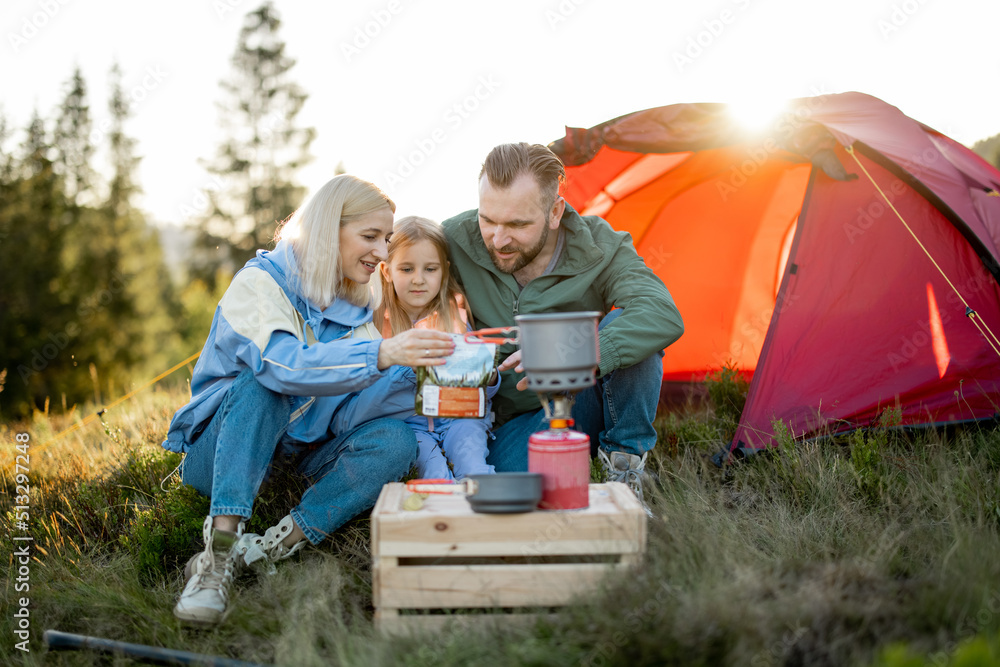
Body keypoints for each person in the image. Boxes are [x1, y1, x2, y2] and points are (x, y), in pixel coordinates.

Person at [161, 175, 455, 625]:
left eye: (386, 239)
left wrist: (420, 376)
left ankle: (272, 545)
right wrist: (382, 352)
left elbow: (349, 411)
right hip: (223, 453)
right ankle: (218, 555)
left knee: (395, 440)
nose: (382, 252)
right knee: (267, 381)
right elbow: (285, 366)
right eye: (370, 237)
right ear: (327, 229)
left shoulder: (360, 300)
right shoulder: (260, 284)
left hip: (299, 455)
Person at [441, 142, 684, 504]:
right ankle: (570, 471)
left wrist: (563, 351)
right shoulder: (454, 239)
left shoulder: (602, 246)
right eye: (488, 219)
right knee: (512, 497)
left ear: (555, 212)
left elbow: (661, 314)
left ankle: (623, 467)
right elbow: (396, 276)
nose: (498, 239)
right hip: (507, 425)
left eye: (518, 224)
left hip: (580, 400)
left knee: (633, 333)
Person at [374, 215, 498, 480]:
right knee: (436, 475)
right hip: (412, 426)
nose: (419, 279)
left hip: (460, 419)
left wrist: (490, 375)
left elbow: (480, 380)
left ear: (444, 270)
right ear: (387, 271)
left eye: (430, 269)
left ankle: (484, 510)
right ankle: (442, 515)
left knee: (473, 466)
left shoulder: (454, 315)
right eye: (407, 269)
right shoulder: (377, 323)